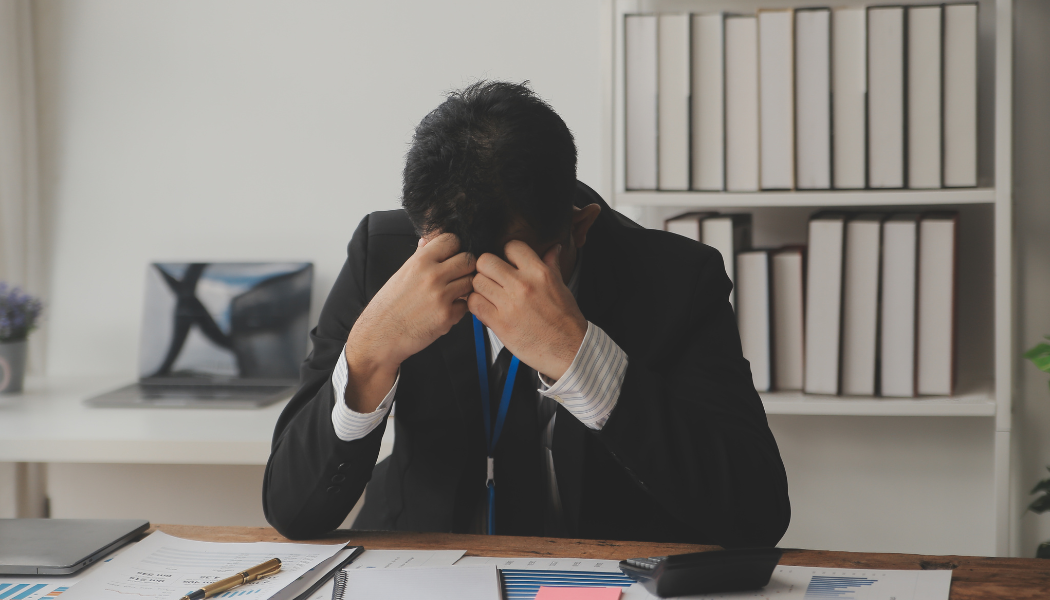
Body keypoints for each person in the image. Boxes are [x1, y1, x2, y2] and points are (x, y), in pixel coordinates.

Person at [262, 81, 790, 547]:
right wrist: (369, 354)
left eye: (510, 267)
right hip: (422, 567)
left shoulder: (675, 279)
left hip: (605, 572)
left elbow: (756, 515)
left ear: (578, 228)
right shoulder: (383, 255)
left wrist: (581, 358)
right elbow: (292, 509)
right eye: (453, 263)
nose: (481, 294)